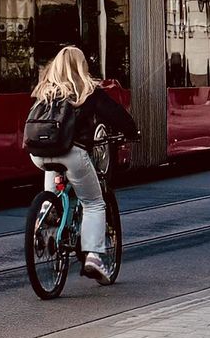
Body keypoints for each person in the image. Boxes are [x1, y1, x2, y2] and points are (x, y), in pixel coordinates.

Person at [29, 45, 138, 285]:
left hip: (38, 153)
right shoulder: (87, 91)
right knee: (94, 202)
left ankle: (45, 219)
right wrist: (133, 132)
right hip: (71, 152)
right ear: (82, 67)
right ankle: (93, 257)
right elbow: (116, 115)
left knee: (52, 190)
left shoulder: (45, 90)